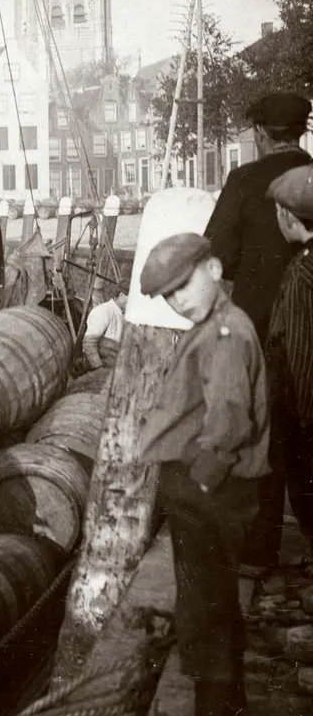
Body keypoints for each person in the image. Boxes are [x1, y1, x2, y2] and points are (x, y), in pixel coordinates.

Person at [137, 233, 270, 716]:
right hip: (210, 489)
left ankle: (214, 707)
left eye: (184, 286)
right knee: (215, 603)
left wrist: (199, 482)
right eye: (169, 295)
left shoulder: (224, 334)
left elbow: (230, 421)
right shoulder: (216, 321)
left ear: (214, 269)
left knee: (203, 612)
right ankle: (230, 701)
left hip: (209, 492)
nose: (178, 300)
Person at [204, 91, 312, 573]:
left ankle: (259, 550)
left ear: (261, 134)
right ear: (303, 131)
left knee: (263, 437)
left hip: (261, 327)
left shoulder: (245, 181)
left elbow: (217, 257)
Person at [265, 165, 313, 554]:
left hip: (303, 412)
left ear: (289, 218)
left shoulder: (299, 275)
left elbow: (299, 352)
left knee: (305, 489)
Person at [82, 286, 127, 369]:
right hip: (100, 368)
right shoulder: (103, 311)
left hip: (115, 366)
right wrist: (99, 369)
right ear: (121, 295)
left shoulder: (122, 314)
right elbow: (89, 344)